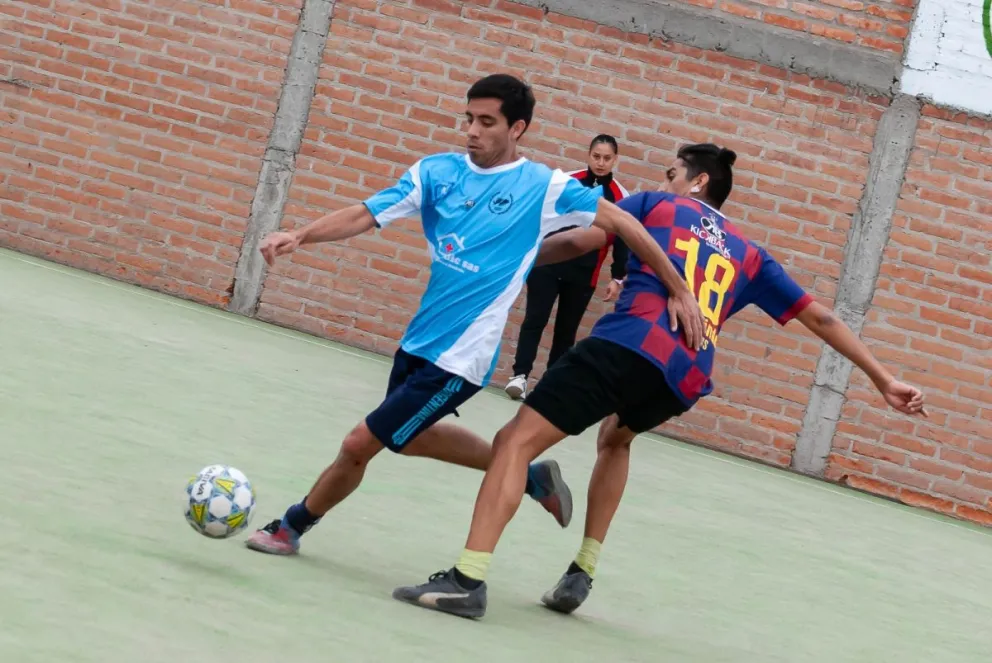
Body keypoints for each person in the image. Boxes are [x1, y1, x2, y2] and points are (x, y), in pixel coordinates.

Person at [392, 143, 927, 620]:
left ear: (696, 182)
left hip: (627, 344)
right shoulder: (749, 252)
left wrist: (511, 258)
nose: (665, 178)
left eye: (673, 172)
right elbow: (823, 319)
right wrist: (882, 378)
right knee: (615, 438)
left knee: (514, 442)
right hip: (684, 376)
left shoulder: (653, 204)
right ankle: (583, 566)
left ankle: (468, 580)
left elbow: (581, 242)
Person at [242, 74, 706, 557]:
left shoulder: (543, 186)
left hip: (462, 356)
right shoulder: (436, 172)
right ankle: (527, 475)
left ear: (517, 128)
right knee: (410, 438)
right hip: (418, 341)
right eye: (469, 118)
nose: (472, 131)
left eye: (487, 122)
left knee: (361, 442)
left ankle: (290, 526)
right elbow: (367, 212)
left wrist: (678, 289)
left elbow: (624, 222)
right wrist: (301, 235)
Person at [504, 134, 631, 401]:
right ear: (588, 155)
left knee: (566, 330)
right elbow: (540, 213)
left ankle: (550, 387)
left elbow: (621, 240)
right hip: (548, 265)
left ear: (615, 160)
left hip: (584, 274)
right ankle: (520, 376)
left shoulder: (620, 196)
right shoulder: (567, 180)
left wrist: (618, 277)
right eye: (596, 156)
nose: (601, 162)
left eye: (607, 158)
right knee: (535, 319)